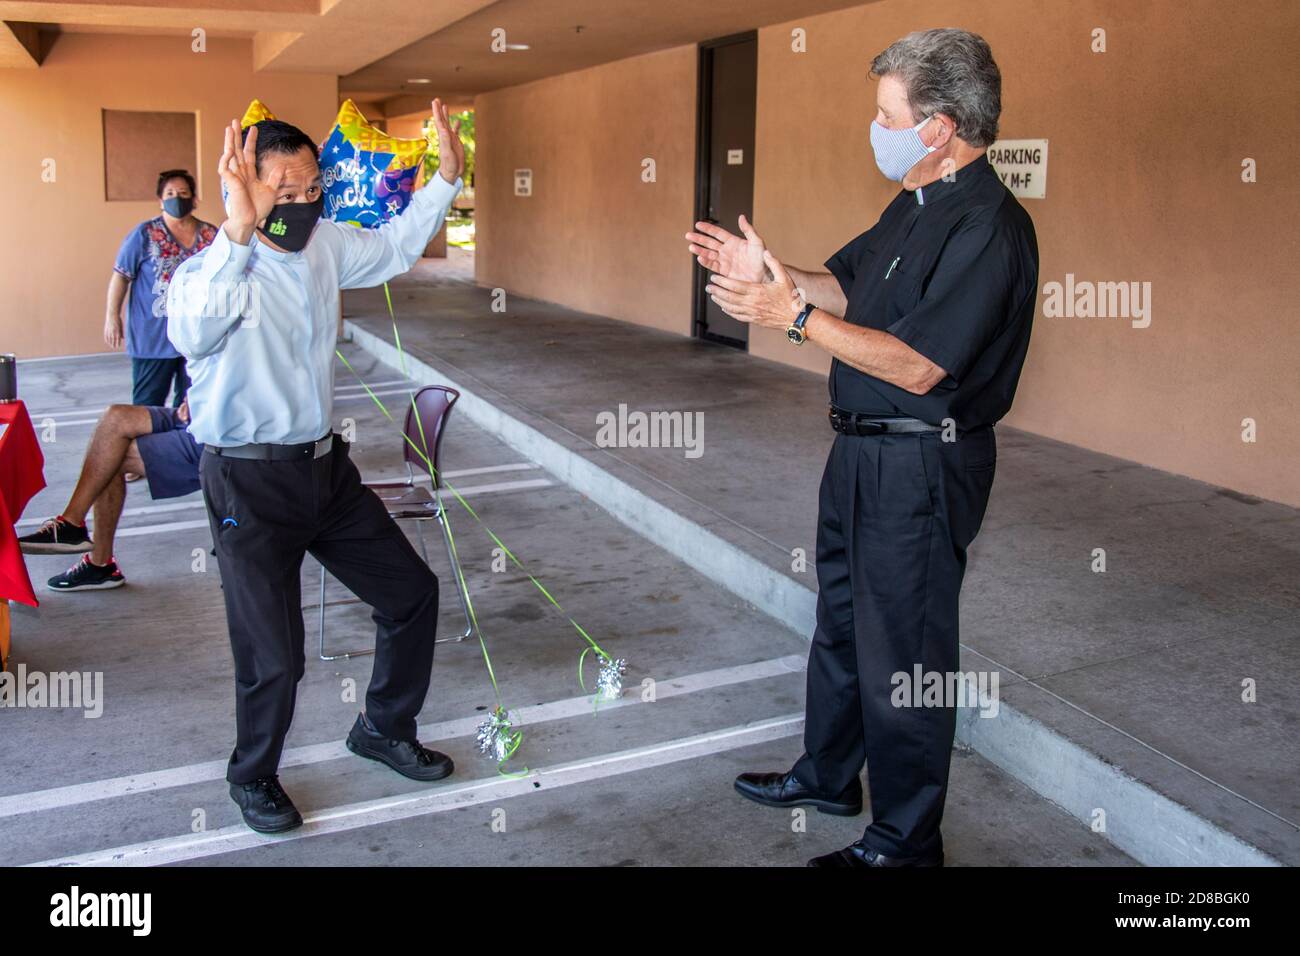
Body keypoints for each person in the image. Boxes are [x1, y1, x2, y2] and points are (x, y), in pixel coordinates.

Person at [687, 28, 1039, 867]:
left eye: (887, 113)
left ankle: (905, 841)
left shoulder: (988, 226)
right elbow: (842, 283)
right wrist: (777, 276)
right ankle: (829, 775)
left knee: (905, 653)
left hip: (921, 461)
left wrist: (794, 323)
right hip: (862, 454)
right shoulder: (916, 200)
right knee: (843, 625)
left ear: (940, 126)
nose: (874, 128)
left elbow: (922, 366)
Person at [166, 104, 465, 834]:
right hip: (247, 480)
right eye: (282, 192)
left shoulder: (325, 245)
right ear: (246, 188)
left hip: (325, 473)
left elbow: (394, 247)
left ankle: (383, 728)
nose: (301, 206)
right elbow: (192, 331)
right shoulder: (213, 268)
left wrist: (447, 180)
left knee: (411, 594)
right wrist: (238, 230)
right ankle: (253, 775)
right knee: (276, 655)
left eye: (311, 192)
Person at [18, 400, 202, 591]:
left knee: (112, 455)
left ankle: (96, 560)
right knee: (115, 417)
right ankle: (73, 526)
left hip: (219, 426)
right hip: (197, 412)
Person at [106, 169, 218, 409]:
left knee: (193, 404)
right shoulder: (144, 235)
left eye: (183, 193)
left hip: (197, 335)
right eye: (170, 193)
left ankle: (181, 446)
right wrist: (112, 316)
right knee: (147, 405)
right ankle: (145, 447)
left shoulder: (210, 235)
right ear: (160, 200)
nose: (176, 198)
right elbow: (121, 276)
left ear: (194, 199)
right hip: (153, 337)